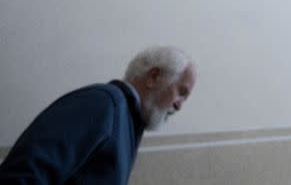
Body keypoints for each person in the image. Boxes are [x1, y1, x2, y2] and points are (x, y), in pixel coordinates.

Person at [0, 46, 197, 184]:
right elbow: (24, 174)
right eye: (181, 92)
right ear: (154, 77)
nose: (179, 105)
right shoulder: (102, 105)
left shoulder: (127, 118)